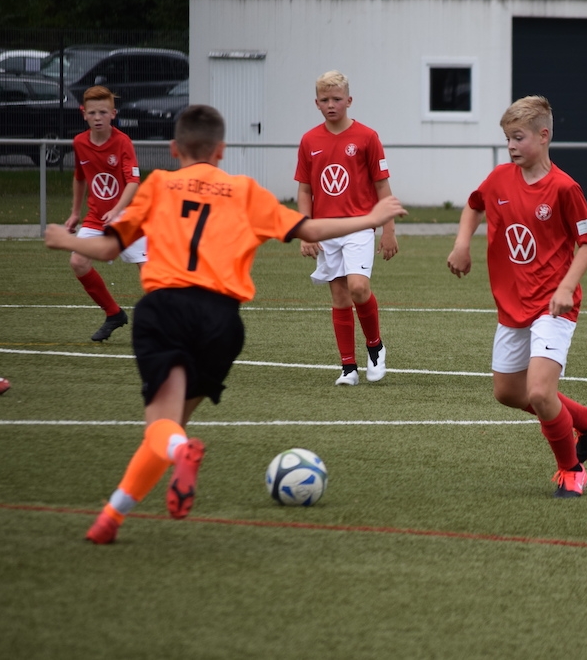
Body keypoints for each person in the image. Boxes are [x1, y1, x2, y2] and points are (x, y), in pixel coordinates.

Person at [45, 104, 406, 544]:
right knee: (171, 425)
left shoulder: (158, 186)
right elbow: (310, 230)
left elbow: (106, 249)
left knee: (163, 429)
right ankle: (110, 518)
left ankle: (179, 454)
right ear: (222, 150)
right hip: (222, 322)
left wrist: (63, 238)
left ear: (174, 149)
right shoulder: (244, 192)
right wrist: (373, 219)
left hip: (167, 310)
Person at [446, 95, 587, 498]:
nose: (511, 146)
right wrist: (462, 245)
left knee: (539, 392)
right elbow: (473, 206)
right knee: (508, 393)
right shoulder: (499, 179)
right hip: (511, 304)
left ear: (543, 136)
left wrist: (566, 286)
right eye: (507, 139)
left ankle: (571, 469)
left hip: (554, 305)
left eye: (518, 138)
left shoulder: (565, 188)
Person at [295, 70, 398, 387]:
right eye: (325, 100)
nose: (331, 105)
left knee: (358, 288)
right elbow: (304, 191)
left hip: (360, 226)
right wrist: (305, 229)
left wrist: (389, 230)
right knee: (339, 296)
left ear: (349, 100)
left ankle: (375, 347)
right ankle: (348, 368)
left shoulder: (367, 137)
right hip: (325, 229)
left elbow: (382, 187)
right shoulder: (309, 141)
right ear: (316, 103)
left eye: (337, 99)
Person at [66, 85, 147, 342]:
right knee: (78, 261)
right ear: (84, 114)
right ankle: (113, 314)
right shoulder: (80, 142)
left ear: (113, 114)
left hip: (129, 216)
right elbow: (80, 177)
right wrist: (75, 213)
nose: (98, 117)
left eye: (103, 112)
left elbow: (133, 182)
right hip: (96, 218)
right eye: (92, 113)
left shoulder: (122, 142)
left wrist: (116, 210)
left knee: (151, 275)